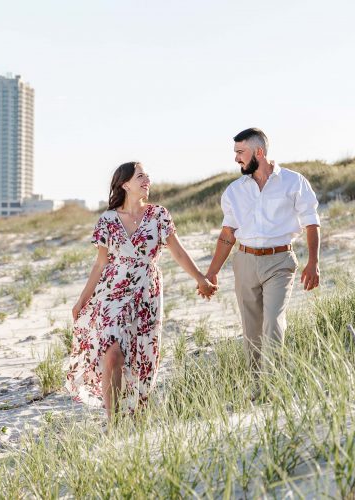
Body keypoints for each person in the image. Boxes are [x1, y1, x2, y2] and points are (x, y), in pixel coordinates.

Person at [66, 161, 217, 420]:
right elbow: (100, 263)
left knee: (142, 356)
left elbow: (178, 252)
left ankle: (136, 414)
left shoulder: (159, 215)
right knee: (112, 353)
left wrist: (200, 278)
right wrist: (83, 299)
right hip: (113, 290)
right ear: (125, 184)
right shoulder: (108, 220)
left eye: (147, 175)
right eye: (140, 176)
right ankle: (113, 420)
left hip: (147, 291)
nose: (147, 179)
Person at [202, 128, 321, 396]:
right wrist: (212, 272)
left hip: (280, 261)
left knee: (273, 322)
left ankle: (274, 384)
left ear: (259, 152)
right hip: (244, 261)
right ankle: (258, 389)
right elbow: (227, 234)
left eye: (240, 153)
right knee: (252, 329)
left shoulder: (294, 182)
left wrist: (313, 262)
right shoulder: (234, 191)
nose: (236, 159)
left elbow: (311, 222)